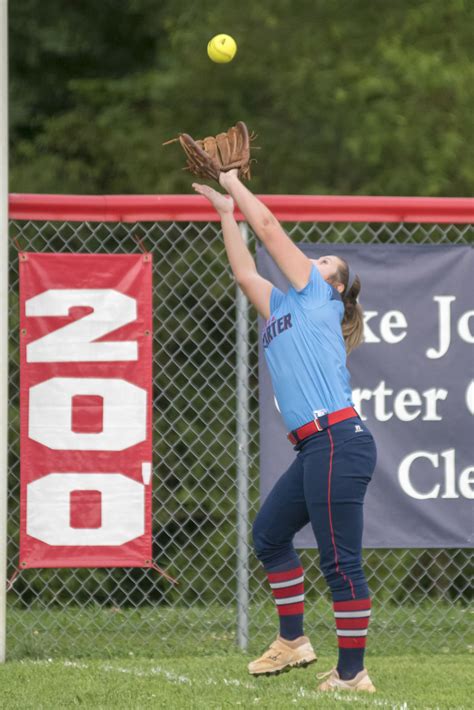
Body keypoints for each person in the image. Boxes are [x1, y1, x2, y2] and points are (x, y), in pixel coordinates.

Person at [193, 170, 377, 694]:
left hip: (339, 441)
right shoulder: (281, 307)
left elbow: (270, 228)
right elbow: (246, 271)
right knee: (269, 535)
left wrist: (233, 180)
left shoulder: (322, 298)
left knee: (340, 562)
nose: (313, 261)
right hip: (317, 448)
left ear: (335, 285)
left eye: (324, 262)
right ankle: (294, 641)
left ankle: (351, 673)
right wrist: (227, 212)